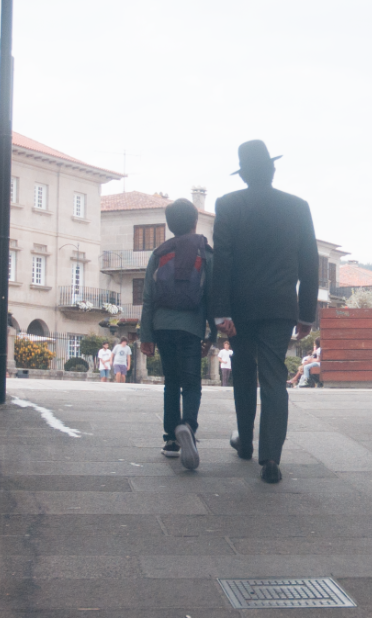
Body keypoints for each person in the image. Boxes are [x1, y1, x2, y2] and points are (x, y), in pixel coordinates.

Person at [212, 140, 319, 484]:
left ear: (243, 175)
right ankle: (270, 456)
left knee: (243, 372)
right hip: (279, 307)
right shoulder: (297, 207)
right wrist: (305, 314)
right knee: (274, 377)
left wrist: (220, 310)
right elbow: (309, 263)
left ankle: (245, 441)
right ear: (272, 170)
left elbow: (222, 260)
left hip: (240, 308)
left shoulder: (228, 205)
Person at [140, 198, 216, 471]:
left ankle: (172, 441)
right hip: (191, 328)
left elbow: (148, 298)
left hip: (162, 326)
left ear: (169, 225)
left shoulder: (159, 253)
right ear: (195, 222)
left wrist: (145, 335)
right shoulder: (205, 254)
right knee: (192, 382)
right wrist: (213, 335)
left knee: (170, 382)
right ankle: (189, 428)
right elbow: (212, 298)